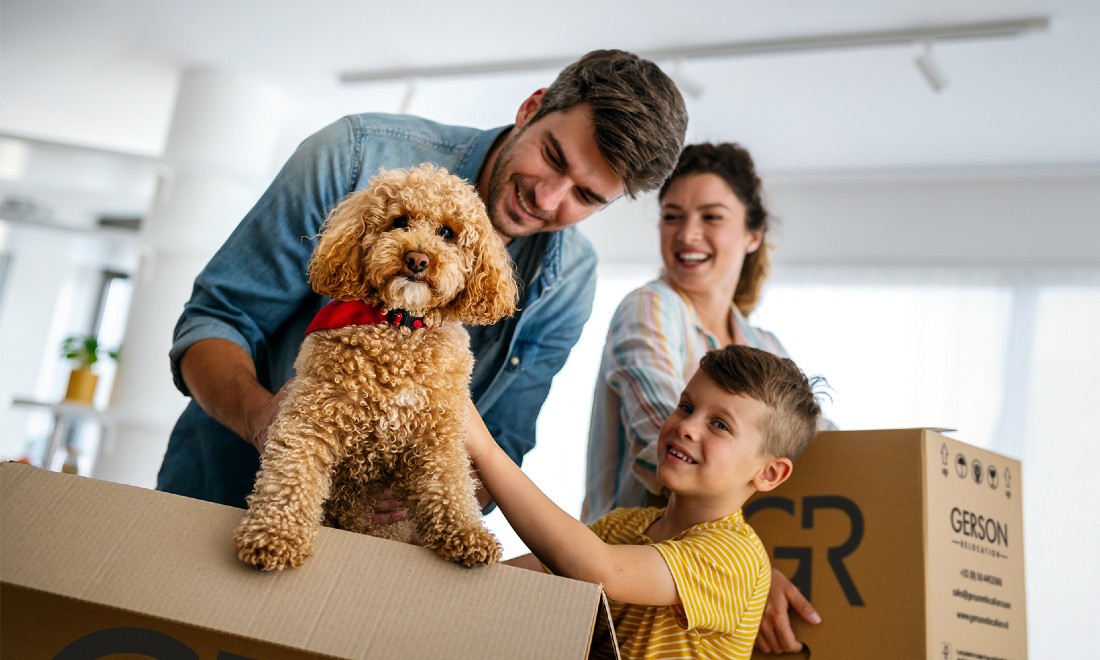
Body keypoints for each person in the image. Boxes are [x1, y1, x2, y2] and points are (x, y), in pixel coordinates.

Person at [156, 49, 688, 512]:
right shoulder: (353, 157)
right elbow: (217, 320)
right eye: (552, 157)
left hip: (374, 560)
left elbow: (504, 439)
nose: (547, 199)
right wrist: (264, 422)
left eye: (587, 197)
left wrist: (427, 498)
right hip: (221, 496)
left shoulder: (571, 279)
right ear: (532, 107)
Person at [580, 142, 827, 653]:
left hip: (701, 585)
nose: (687, 234)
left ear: (753, 234)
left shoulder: (766, 347)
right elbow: (663, 445)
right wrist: (748, 569)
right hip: (623, 571)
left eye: (711, 217)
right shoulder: (651, 307)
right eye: (672, 216)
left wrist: (746, 572)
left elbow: (826, 456)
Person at [465, 345, 824, 659]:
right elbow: (507, 578)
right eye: (686, 406)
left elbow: (602, 571)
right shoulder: (623, 526)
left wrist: (484, 449)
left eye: (720, 425)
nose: (687, 426)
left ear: (770, 474)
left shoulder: (735, 556)